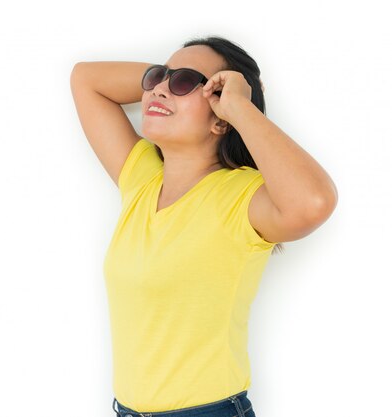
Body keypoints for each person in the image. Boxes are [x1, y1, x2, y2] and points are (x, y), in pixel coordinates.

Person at [70, 35, 338, 417]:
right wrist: (172, 79)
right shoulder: (141, 179)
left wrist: (241, 106)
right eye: (158, 78)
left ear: (220, 119)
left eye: (182, 82)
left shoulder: (243, 197)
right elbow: (85, 79)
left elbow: (314, 203)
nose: (160, 88)